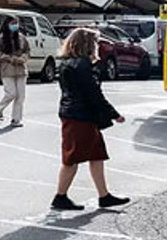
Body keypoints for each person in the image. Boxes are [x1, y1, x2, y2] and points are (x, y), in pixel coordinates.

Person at [52, 27, 130, 211]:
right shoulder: (83, 65)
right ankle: (60, 197)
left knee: (96, 155)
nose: (97, 46)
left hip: (74, 113)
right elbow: (94, 94)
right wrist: (113, 113)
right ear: (87, 44)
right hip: (80, 116)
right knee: (72, 159)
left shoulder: (67, 63)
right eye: (95, 42)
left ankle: (104, 195)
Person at [0, 15, 31, 127]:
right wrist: (9, 58)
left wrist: (23, 58)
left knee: (20, 96)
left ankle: (16, 119)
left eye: (17, 23)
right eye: (13, 23)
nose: (15, 25)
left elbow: (27, 51)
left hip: (21, 69)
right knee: (11, 93)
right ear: (7, 24)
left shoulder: (21, 37)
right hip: (7, 69)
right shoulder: (0, 39)